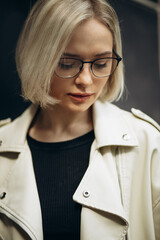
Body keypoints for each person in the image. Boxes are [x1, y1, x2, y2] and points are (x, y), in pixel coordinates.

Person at [0, 0, 159, 239]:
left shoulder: (147, 143)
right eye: (67, 63)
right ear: (38, 58)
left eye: (101, 63)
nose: (85, 80)